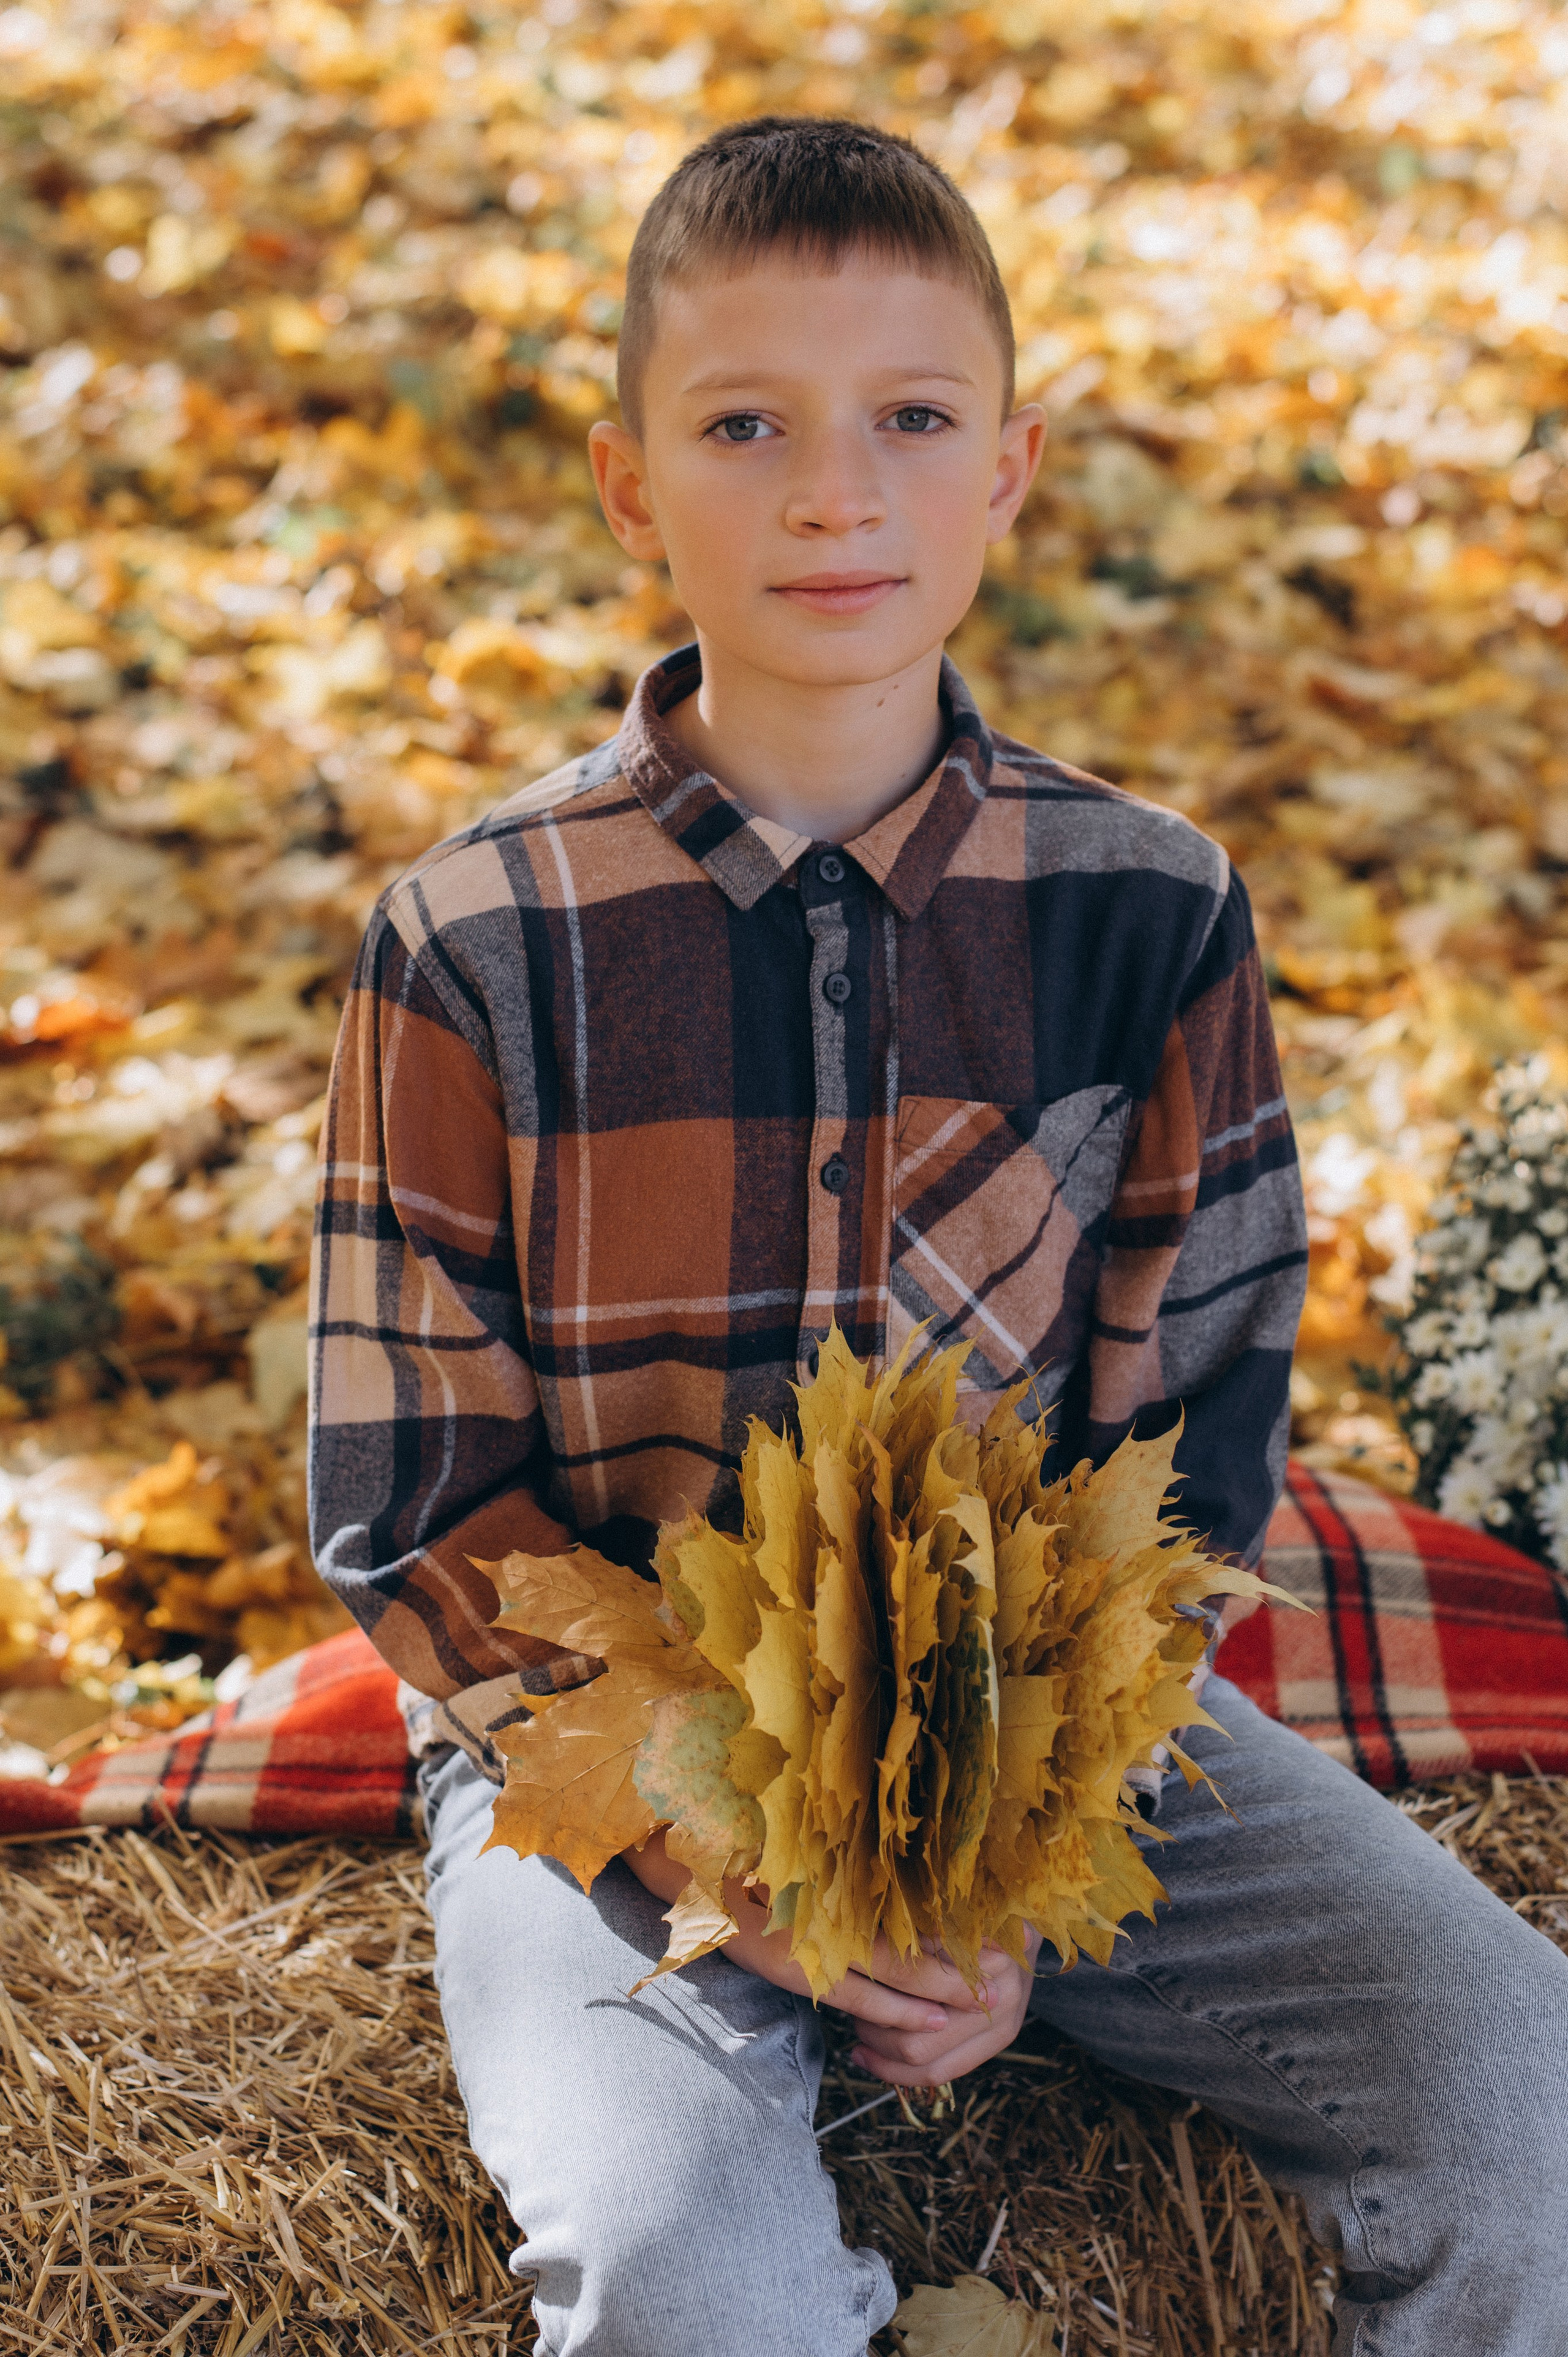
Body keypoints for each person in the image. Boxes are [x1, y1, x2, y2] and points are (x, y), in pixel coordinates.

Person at [309, 115, 1568, 2357]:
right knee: (672, 2264)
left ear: (1011, 469)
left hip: (1052, 1721)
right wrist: (735, 1863)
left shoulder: (1148, 913)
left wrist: (1003, 1856)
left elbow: (1194, 1438)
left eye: (910, 421)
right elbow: (409, 1499)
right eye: (745, 427)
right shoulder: (476, 942)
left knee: (1527, 2089)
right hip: (617, 1756)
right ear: (628, 486)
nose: (832, 495)